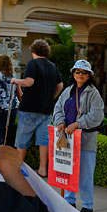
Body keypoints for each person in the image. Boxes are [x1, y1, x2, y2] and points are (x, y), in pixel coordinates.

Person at [52, 59, 105, 212]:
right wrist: (60, 121)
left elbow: (97, 116)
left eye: (83, 72)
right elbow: (58, 109)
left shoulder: (94, 93)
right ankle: (69, 201)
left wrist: (77, 124)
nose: (80, 75)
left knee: (86, 174)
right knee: (68, 171)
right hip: (68, 139)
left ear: (89, 75)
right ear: (73, 73)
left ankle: (88, 205)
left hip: (86, 139)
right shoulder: (68, 90)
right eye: (77, 72)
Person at [11, 39, 63, 176]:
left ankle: (18, 168)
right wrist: (51, 97)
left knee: (22, 140)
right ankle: (42, 169)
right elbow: (60, 86)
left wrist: (16, 81)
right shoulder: (53, 66)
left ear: (33, 51)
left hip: (29, 108)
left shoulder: (32, 64)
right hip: (46, 110)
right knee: (43, 141)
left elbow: (29, 82)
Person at [0, 54, 18, 148]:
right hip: (11, 108)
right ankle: (7, 157)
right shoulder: (13, 76)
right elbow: (19, 93)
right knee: (8, 135)